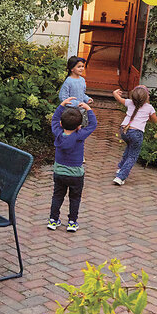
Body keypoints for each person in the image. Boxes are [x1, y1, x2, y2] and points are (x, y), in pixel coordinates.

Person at [47, 97, 97, 233]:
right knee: (75, 198)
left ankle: (53, 220)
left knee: (57, 196)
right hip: (76, 174)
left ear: (61, 124)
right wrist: (88, 109)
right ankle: (72, 222)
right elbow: (93, 125)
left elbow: (54, 120)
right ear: (79, 126)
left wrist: (61, 105)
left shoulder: (58, 133)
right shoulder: (80, 135)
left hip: (59, 173)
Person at [112, 86, 157, 186]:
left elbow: (118, 98)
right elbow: (155, 120)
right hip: (136, 133)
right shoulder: (149, 108)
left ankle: (120, 168)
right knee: (133, 155)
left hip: (124, 130)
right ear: (147, 97)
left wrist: (115, 93)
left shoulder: (129, 102)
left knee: (129, 149)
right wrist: (147, 117)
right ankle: (120, 177)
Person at [58, 57, 93, 124]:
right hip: (70, 113)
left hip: (81, 111)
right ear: (72, 69)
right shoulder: (68, 81)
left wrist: (87, 99)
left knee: (81, 127)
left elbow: (81, 94)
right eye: (79, 67)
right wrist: (77, 104)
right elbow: (63, 98)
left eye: (82, 66)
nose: (81, 68)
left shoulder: (82, 80)